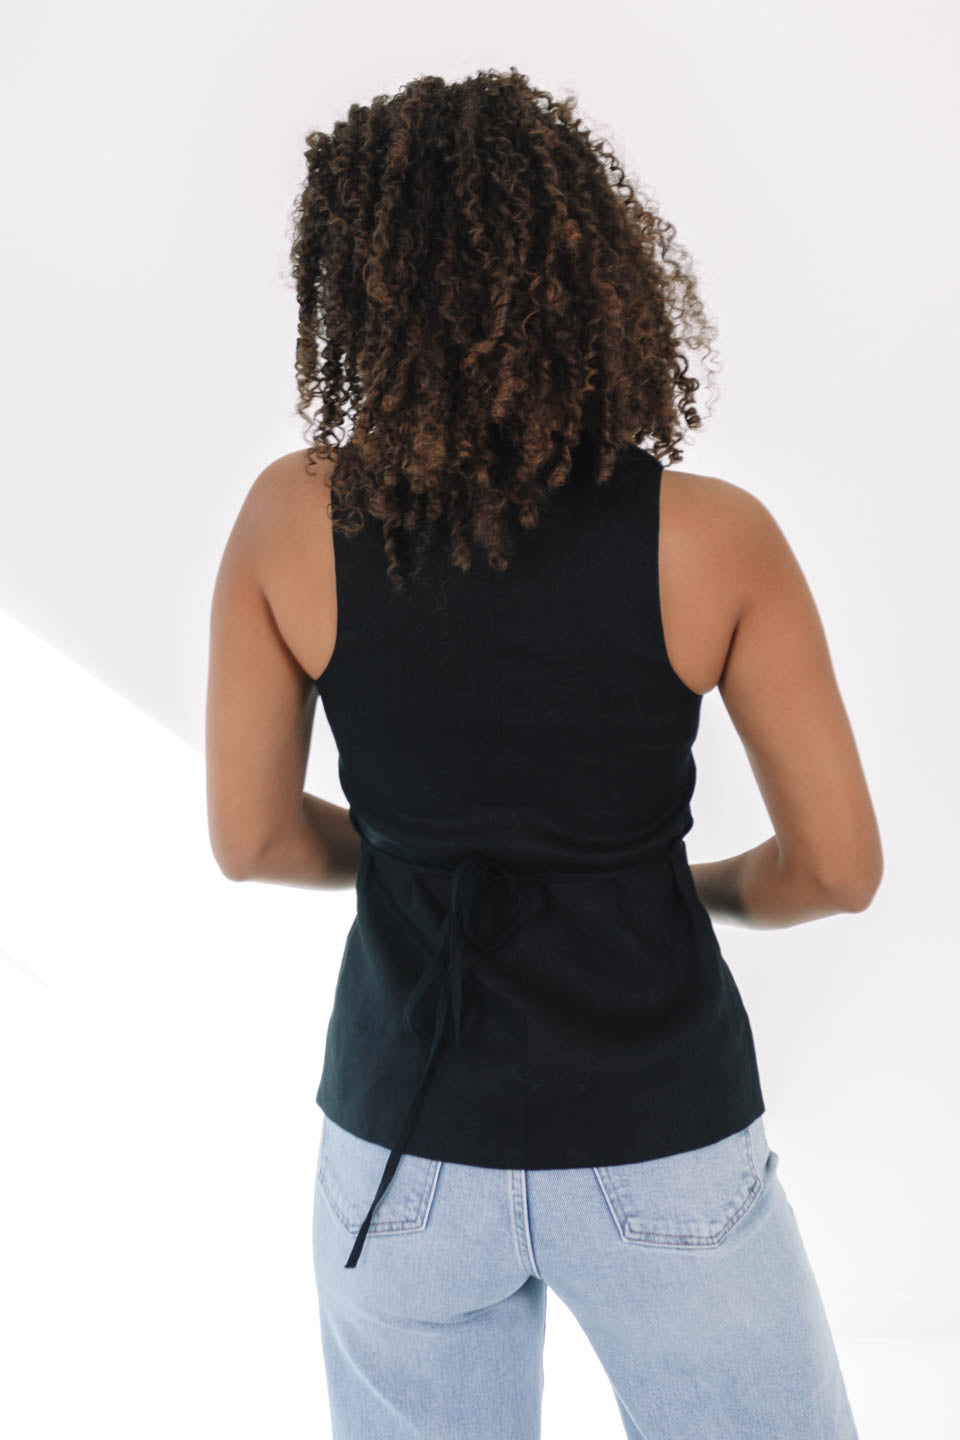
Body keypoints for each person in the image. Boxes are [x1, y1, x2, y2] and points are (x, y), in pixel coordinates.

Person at [205, 66, 880, 1440]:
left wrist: (420, 855)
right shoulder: (712, 540)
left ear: (362, 286)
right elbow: (839, 869)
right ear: (592, 270)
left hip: (403, 1149)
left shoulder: (290, 523)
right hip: (659, 1132)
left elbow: (255, 838)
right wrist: (686, 888)